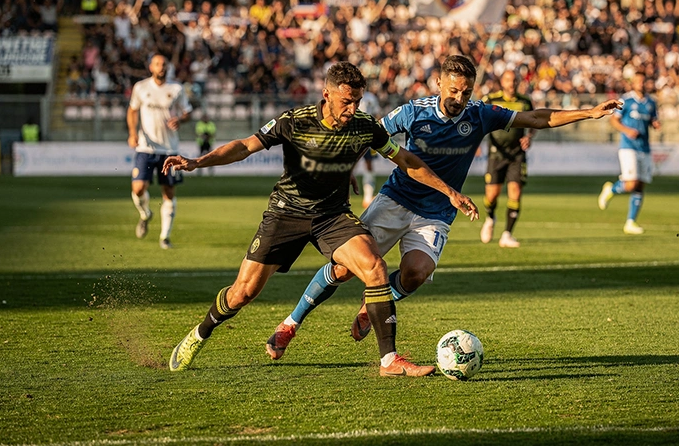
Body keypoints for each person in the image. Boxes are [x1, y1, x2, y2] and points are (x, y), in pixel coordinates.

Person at [264, 56, 622, 359]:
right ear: (438, 83)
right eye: (453, 90)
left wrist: (589, 113)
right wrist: (349, 168)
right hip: (395, 201)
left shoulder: (480, 114)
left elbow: (535, 118)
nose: (459, 97)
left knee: (415, 274)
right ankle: (290, 324)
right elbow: (369, 135)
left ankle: (372, 302)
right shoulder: (412, 112)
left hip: (436, 213)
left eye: (466, 92)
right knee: (342, 269)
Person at [163, 61, 479, 377]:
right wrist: (197, 162)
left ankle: (389, 361)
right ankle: (200, 333)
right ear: (326, 94)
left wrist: (449, 192)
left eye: (357, 101)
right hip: (286, 214)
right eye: (346, 101)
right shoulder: (294, 121)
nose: (352, 108)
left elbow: (405, 159)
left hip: (332, 216)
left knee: (375, 267)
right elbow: (246, 146)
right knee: (241, 294)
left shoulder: (364, 125)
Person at [126, 54, 192, 249]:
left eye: (164, 64)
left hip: (169, 149)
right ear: (151, 67)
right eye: (157, 64)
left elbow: (187, 112)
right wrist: (132, 133)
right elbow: (132, 110)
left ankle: (165, 237)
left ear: (167, 67)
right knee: (138, 188)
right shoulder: (141, 87)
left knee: (169, 192)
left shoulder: (176, 89)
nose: (161, 67)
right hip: (145, 147)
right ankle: (145, 213)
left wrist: (180, 119)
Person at [598, 71, 661, 234]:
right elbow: (613, 120)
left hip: (644, 147)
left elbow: (653, 120)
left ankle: (630, 222)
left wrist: (655, 124)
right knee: (631, 182)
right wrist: (627, 130)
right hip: (628, 147)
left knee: (640, 185)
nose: (640, 83)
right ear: (632, 83)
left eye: (643, 80)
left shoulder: (651, 103)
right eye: (637, 81)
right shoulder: (626, 100)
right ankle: (611, 190)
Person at [480, 70, 535, 248]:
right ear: (502, 83)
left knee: (515, 192)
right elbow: (476, 119)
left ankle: (507, 234)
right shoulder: (490, 100)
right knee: (492, 195)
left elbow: (534, 122)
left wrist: (529, 137)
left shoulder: (525, 102)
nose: (511, 84)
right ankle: (490, 218)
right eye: (508, 80)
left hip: (517, 154)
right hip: (496, 154)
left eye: (514, 80)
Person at [358, 89, 381, 207]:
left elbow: (377, 115)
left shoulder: (371, 97)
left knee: (369, 164)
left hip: (368, 135)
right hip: (354, 134)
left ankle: (367, 197)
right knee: (348, 165)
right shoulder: (353, 95)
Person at [195, 112, 217, 176]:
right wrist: (205, 136)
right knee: (200, 157)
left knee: (210, 157)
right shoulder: (199, 124)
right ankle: (199, 170)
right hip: (201, 143)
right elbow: (198, 133)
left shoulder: (211, 124)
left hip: (209, 143)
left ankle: (211, 170)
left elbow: (213, 133)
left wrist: (206, 136)